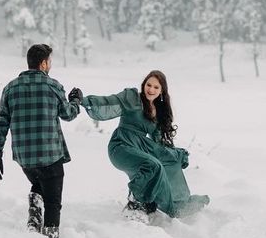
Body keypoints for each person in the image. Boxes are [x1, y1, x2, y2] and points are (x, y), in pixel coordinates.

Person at [76, 70, 209, 218]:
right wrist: (84, 100)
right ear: (144, 84)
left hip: (140, 147)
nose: (151, 89)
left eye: (156, 87)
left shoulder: (158, 112)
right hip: (121, 145)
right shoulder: (131, 98)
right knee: (153, 165)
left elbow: (159, 142)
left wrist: (177, 155)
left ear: (162, 91)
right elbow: (108, 101)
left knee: (164, 162)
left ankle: (154, 203)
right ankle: (135, 202)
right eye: (148, 85)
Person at [0, 43, 82, 238]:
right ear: (43, 63)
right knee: (53, 201)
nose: (50, 65)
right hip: (50, 155)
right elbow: (68, 114)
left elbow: (2, 123)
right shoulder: (53, 86)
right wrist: (76, 100)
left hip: (25, 158)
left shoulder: (10, 88)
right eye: (49, 61)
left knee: (39, 183)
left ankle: (34, 218)